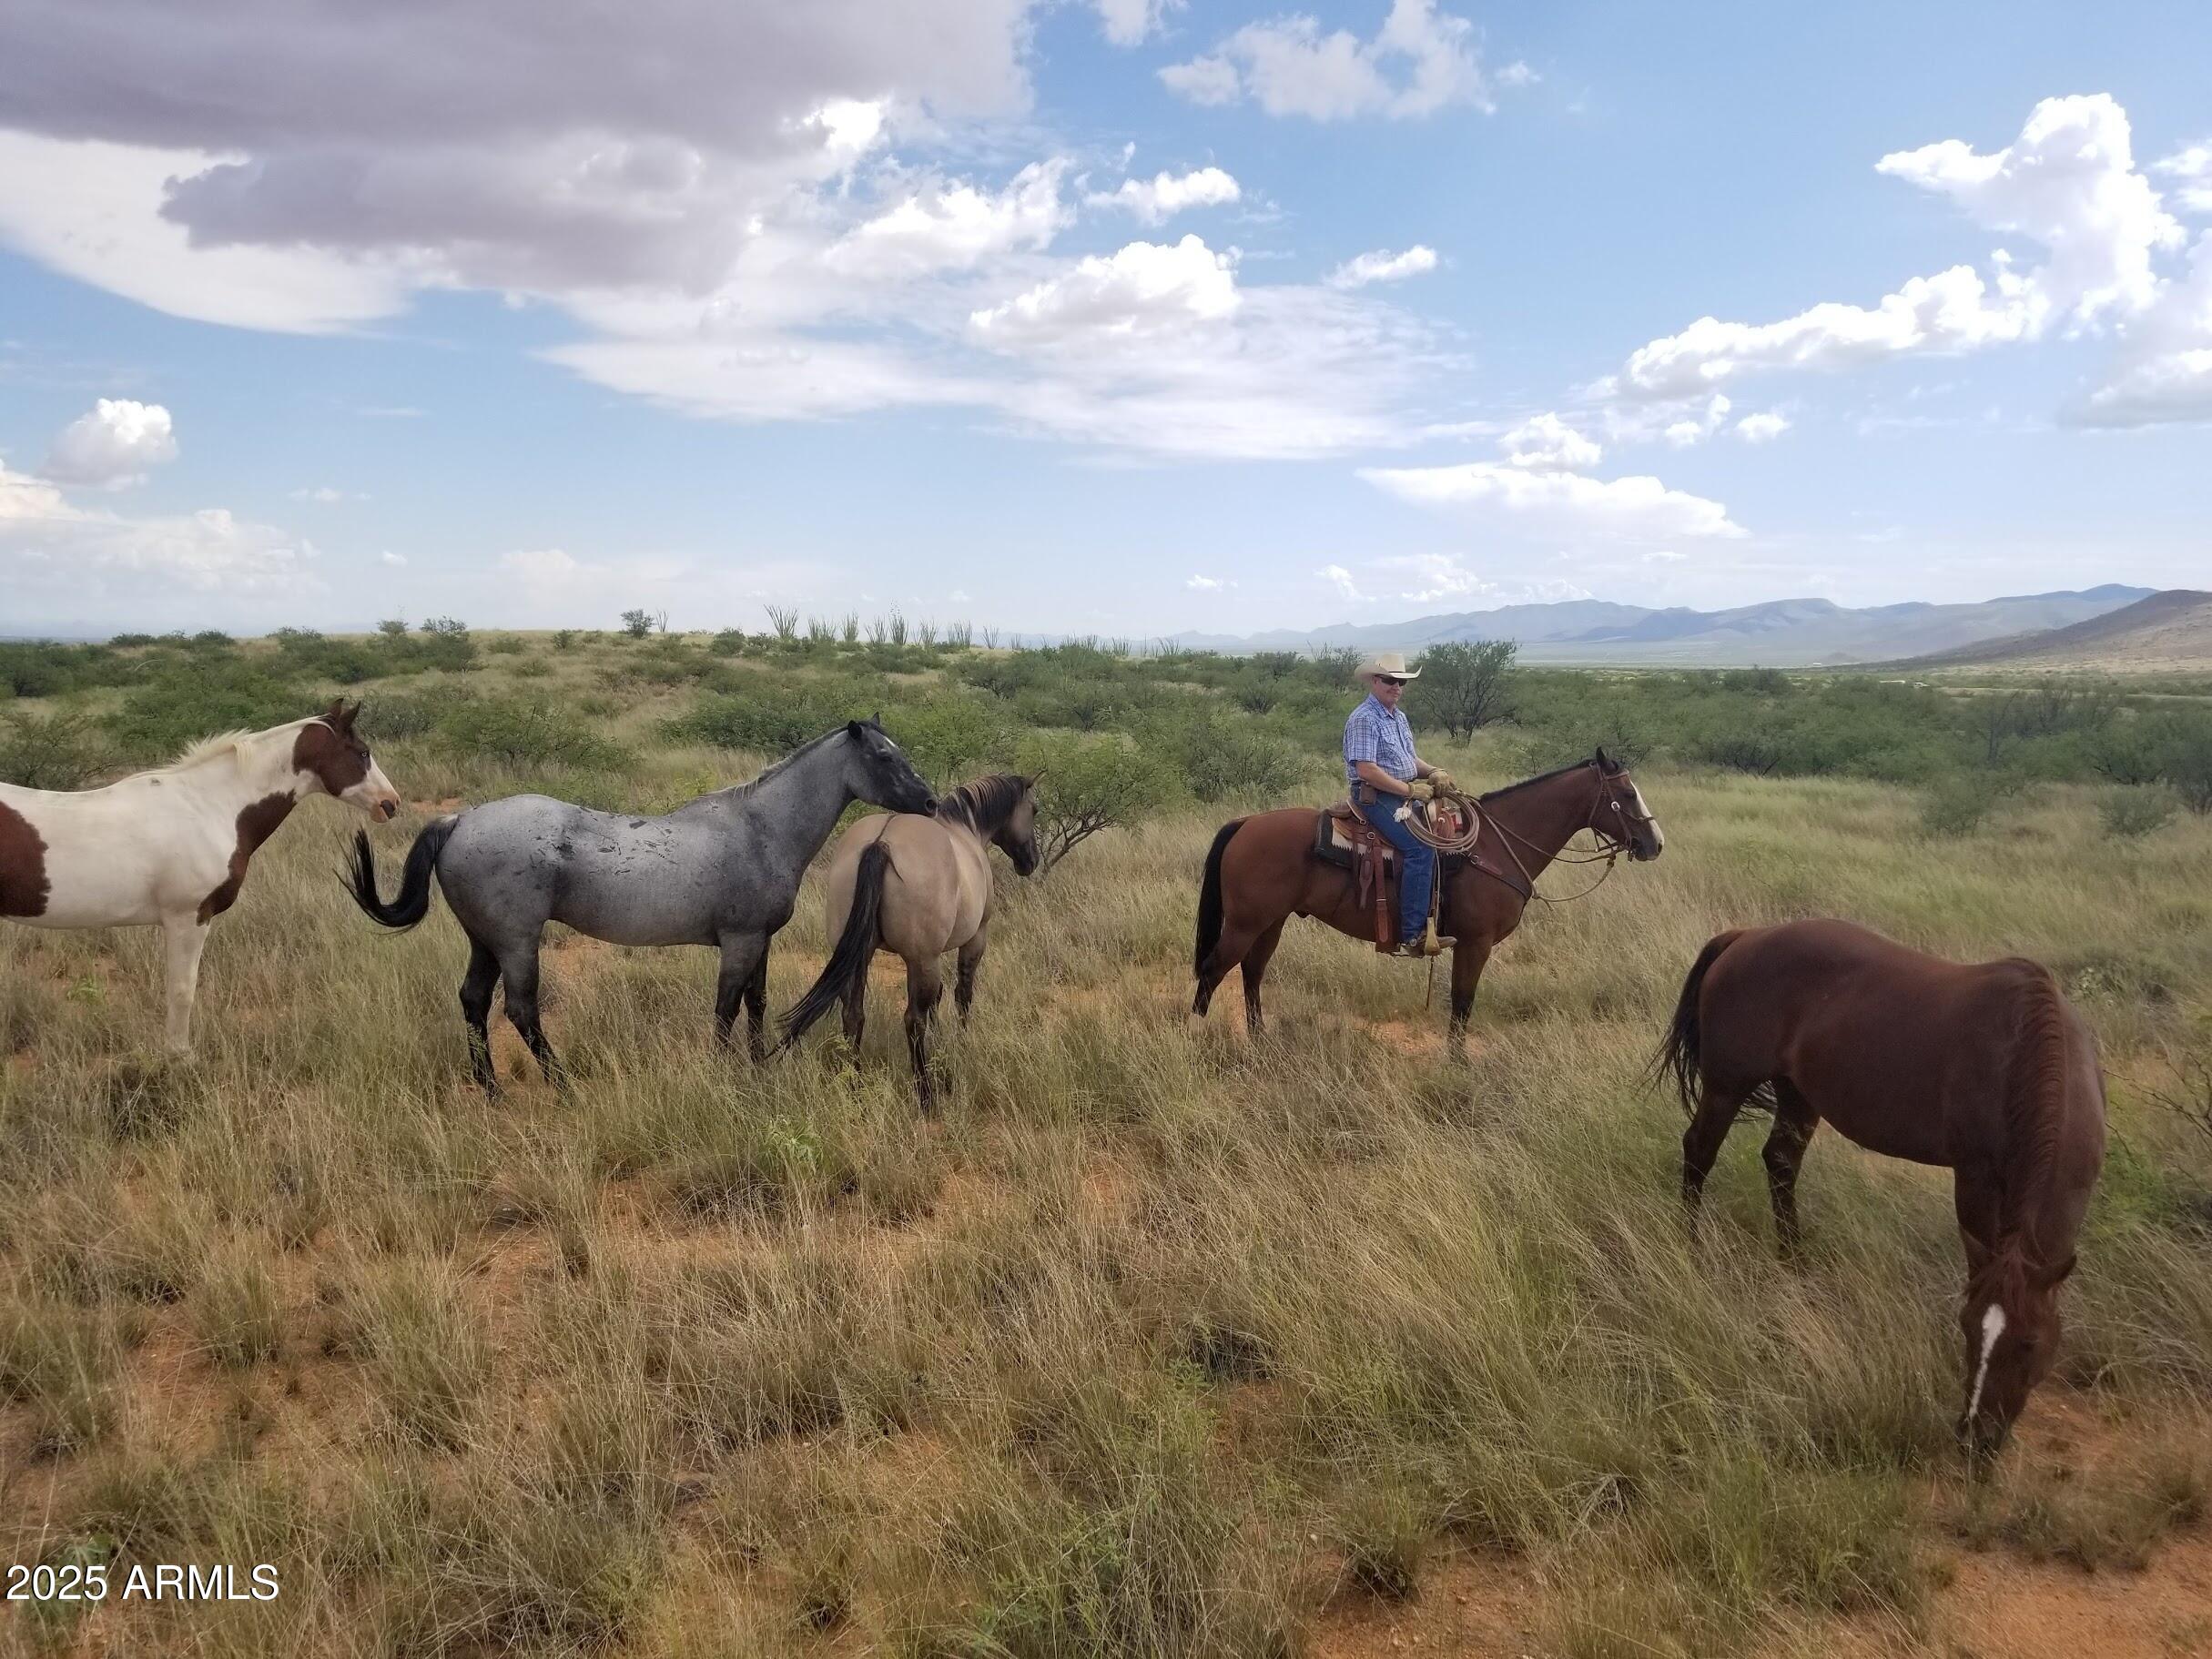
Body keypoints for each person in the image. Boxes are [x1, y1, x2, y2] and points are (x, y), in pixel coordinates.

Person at [1343, 652, 1457, 956]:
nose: (1397, 687)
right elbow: (1367, 769)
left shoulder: (1398, 716)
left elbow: (1408, 759)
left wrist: (1433, 771)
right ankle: (1412, 935)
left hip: (1400, 794)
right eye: (1391, 681)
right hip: (1375, 796)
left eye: (1401, 682)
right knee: (1420, 848)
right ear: (1375, 681)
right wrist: (1409, 789)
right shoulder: (1364, 719)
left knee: (1448, 829)